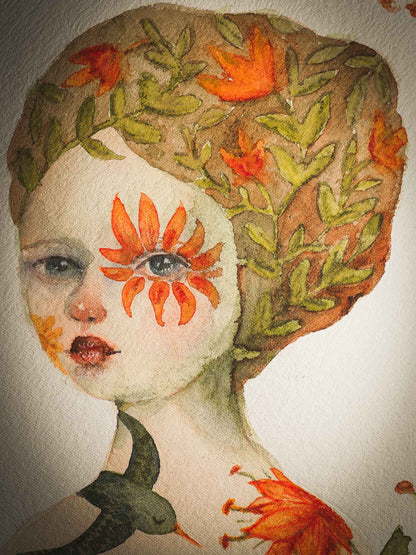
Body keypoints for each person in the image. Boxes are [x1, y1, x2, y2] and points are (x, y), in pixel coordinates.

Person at [3, 4, 407, 553]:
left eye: (161, 264)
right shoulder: (36, 539)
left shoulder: (304, 542)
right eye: (57, 265)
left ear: (256, 274)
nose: (86, 304)